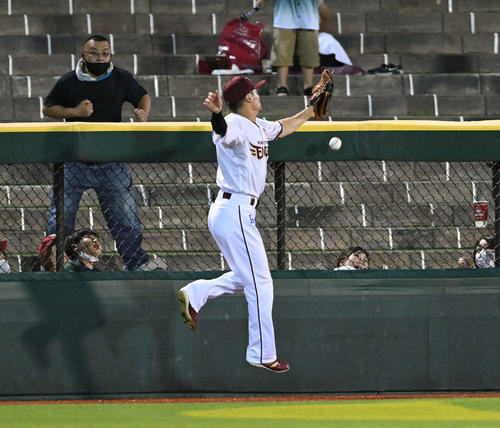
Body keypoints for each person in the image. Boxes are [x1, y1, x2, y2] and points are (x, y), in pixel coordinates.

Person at [177, 75, 318, 373]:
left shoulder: (257, 125)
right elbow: (223, 132)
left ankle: (197, 293)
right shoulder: (234, 124)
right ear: (248, 98)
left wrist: (310, 111)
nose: (258, 92)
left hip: (235, 212)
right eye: (254, 90)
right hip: (235, 209)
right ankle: (262, 353)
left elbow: (282, 128)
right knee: (261, 282)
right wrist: (216, 115)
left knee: (249, 279)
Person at [42, 34, 153, 271]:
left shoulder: (121, 78)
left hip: (111, 162)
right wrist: (74, 112)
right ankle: (56, 265)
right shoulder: (69, 81)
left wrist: (143, 113)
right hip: (72, 161)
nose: (100, 58)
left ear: (110, 55)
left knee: (127, 218)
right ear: (84, 56)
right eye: (94, 53)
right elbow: (48, 108)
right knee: (59, 220)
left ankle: (136, 263)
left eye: (104, 53)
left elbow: (143, 96)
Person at [262, 0, 330, 96]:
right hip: (284, 15)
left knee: (309, 53)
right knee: (282, 52)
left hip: (308, 16)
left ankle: (308, 87)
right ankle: (282, 86)